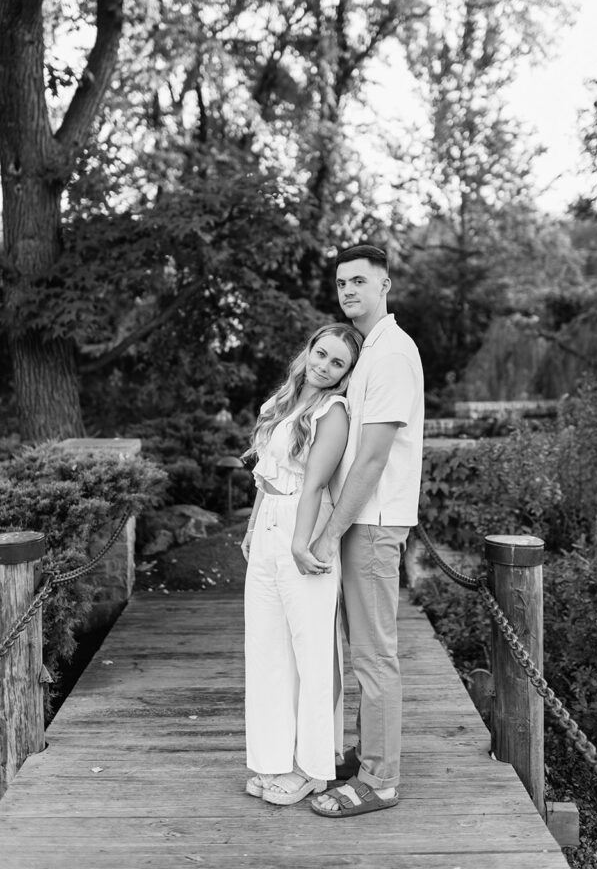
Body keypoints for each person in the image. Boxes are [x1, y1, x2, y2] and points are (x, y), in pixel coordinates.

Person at [310, 244, 424, 818]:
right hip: (362, 520)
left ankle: (380, 781)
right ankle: (367, 755)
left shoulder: (393, 353)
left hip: (373, 525)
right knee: (363, 653)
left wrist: (329, 532)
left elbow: (373, 459)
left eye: (359, 280)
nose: (348, 290)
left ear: (384, 286)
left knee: (375, 657)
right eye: (340, 283)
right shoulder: (368, 352)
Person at [241, 321, 363, 806]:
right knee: (267, 650)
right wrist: (253, 528)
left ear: (346, 374)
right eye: (322, 354)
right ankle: (272, 759)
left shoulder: (333, 412)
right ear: (309, 349)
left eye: (338, 363)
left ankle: (311, 767)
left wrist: (300, 543)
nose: (325, 366)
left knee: (311, 653)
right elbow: (263, 478)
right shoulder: (281, 402)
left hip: (303, 526)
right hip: (270, 521)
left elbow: (312, 484)